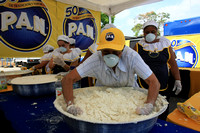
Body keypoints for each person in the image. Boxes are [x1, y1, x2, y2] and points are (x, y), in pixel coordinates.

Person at [61, 28, 160, 116]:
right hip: (102, 100)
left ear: (123, 49)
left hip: (130, 98)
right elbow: (67, 79)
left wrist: (149, 105)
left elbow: (154, 82)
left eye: (116, 52)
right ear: (100, 50)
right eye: (106, 52)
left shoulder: (132, 57)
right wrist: (70, 105)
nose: (111, 56)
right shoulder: (96, 59)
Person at [133, 20, 182, 120]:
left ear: (157, 32)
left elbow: (173, 64)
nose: (150, 34)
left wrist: (178, 80)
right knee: (145, 109)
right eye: (147, 32)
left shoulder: (165, 44)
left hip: (163, 84)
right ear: (143, 33)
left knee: (162, 109)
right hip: (144, 85)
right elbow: (130, 62)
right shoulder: (139, 46)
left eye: (153, 31)